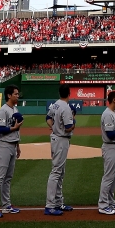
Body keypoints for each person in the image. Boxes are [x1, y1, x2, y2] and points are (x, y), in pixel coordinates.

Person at [0, 85, 22, 218]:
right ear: (9, 95)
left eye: (18, 94)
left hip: (13, 145)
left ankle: (6, 205)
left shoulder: (15, 109)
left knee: (8, 178)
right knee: (0, 177)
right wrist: (14, 128)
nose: (18, 96)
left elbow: (16, 130)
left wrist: (18, 146)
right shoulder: (3, 110)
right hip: (4, 145)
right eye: (16, 94)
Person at [44, 84, 75, 215]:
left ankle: (58, 202)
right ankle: (50, 205)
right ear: (69, 93)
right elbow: (68, 128)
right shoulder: (66, 108)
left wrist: (54, 127)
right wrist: (74, 121)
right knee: (56, 171)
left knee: (60, 172)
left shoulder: (55, 104)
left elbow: (48, 118)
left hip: (56, 138)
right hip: (61, 140)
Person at [98, 90, 115, 215]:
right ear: (114, 100)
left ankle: (110, 202)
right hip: (110, 147)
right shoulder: (108, 114)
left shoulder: (114, 113)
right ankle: (103, 205)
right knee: (108, 177)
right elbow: (110, 134)